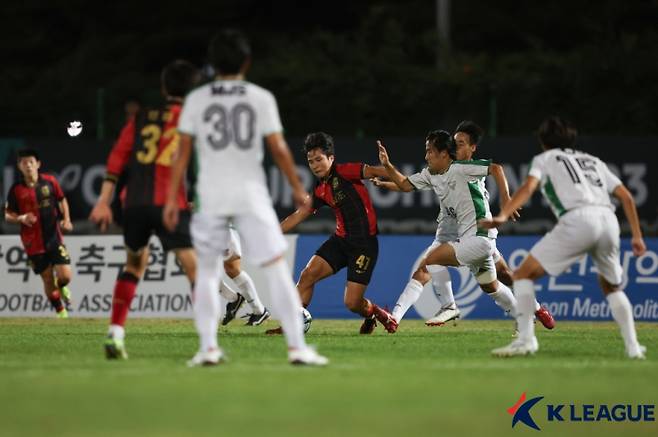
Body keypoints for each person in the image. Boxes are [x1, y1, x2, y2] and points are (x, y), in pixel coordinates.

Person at [163, 29, 328, 366]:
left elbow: (182, 153)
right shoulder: (260, 98)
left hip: (210, 192)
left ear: (212, 65)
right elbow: (278, 148)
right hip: (249, 190)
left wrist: (170, 198)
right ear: (247, 62)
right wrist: (297, 187)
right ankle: (297, 347)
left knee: (207, 271)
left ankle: (208, 349)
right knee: (275, 267)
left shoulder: (196, 100)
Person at [90, 60, 267, 360]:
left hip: (133, 205)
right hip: (170, 206)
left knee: (134, 266)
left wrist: (103, 201)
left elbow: (116, 162)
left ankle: (116, 333)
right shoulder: (190, 119)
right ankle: (209, 346)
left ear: (163, 88)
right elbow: (201, 167)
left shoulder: (140, 117)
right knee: (197, 270)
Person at [480, 116, 647, 358]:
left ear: (542, 141)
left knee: (524, 274)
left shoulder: (544, 158)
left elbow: (528, 187)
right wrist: (638, 236)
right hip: (608, 220)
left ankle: (526, 340)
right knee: (611, 287)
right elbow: (627, 197)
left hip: (578, 219)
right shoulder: (593, 160)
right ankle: (633, 348)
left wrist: (503, 215)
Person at [375, 121, 555, 329]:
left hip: (480, 235)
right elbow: (406, 184)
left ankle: (449, 306)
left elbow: (496, 168)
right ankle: (525, 316)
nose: (456, 146)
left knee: (431, 260)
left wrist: (506, 199)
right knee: (491, 285)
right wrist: (387, 171)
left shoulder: (465, 169)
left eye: (460, 143)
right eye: (454, 142)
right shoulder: (433, 173)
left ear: (469, 149)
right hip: (465, 235)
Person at [269, 132, 398, 335]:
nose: (314, 165)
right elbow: (298, 215)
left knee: (352, 303)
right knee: (307, 275)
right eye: (311, 161)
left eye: (319, 159)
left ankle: (375, 313)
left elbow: (378, 171)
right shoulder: (320, 190)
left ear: (331, 158)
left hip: (364, 244)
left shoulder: (347, 172)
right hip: (340, 241)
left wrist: (404, 179)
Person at [5, 148, 73, 318]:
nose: (28, 165)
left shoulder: (50, 181)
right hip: (32, 242)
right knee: (47, 278)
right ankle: (61, 312)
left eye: (31, 162)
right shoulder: (16, 189)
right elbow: (7, 214)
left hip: (54, 238)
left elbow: (61, 199)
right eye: (24, 162)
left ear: (38, 164)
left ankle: (62, 285)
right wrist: (21, 218)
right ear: (19, 166)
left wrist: (67, 219)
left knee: (65, 276)